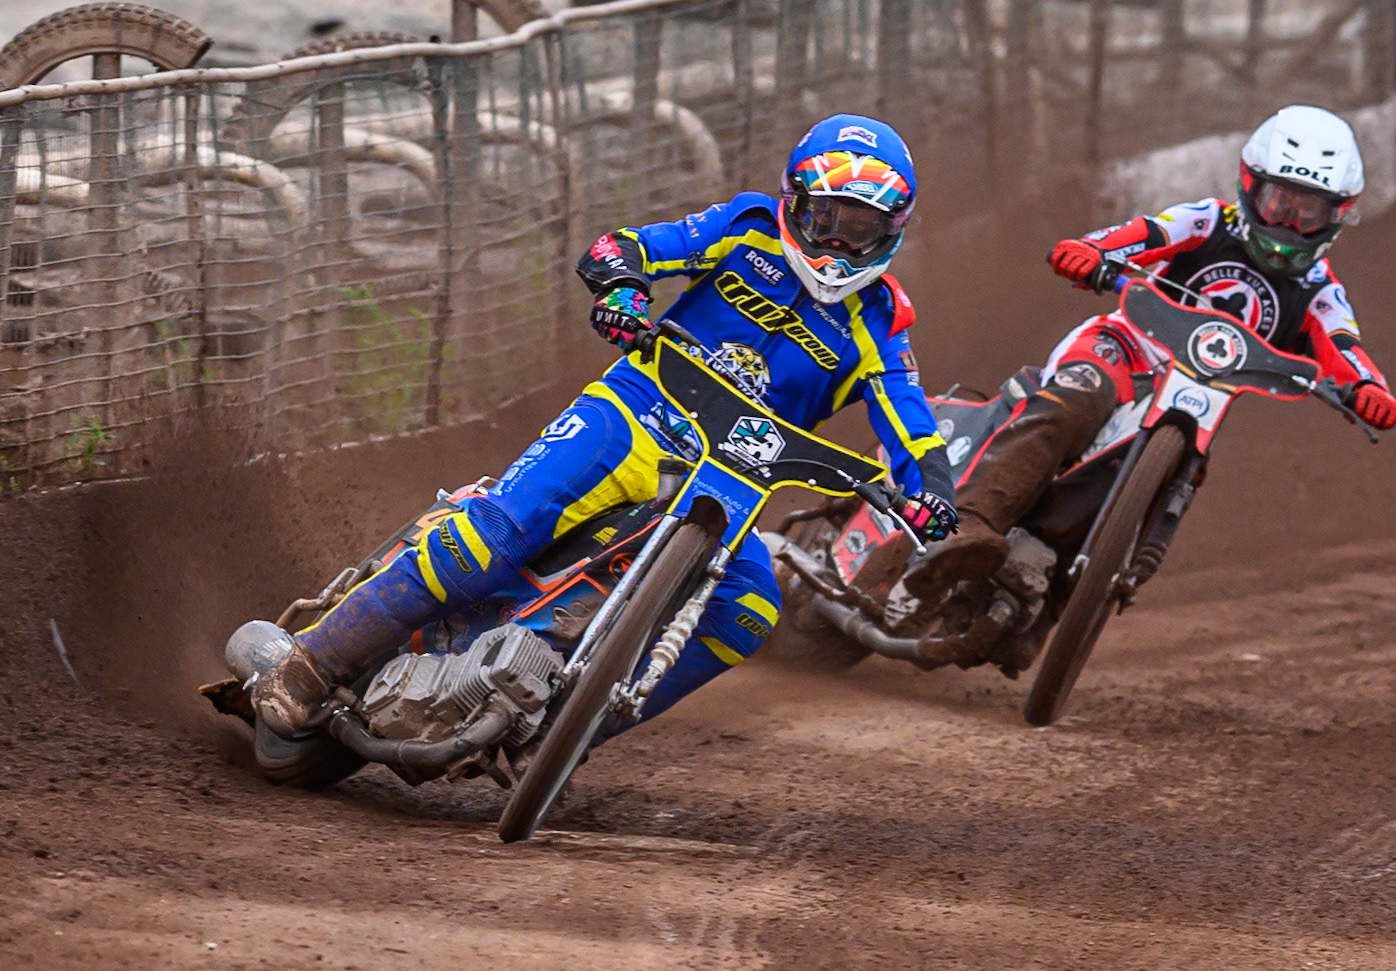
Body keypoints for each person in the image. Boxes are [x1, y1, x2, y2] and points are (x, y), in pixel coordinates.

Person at [253, 113, 958, 737]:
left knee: (748, 610)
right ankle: (312, 664)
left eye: (860, 229)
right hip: (638, 413)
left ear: (890, 233)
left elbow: (913, 423)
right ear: (793, 202)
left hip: (733, 479)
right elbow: (626, 247)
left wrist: (933, 490)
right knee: (495, 535)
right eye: (826, 219)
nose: (837, 244)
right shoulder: (744, 232)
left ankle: (568, 737)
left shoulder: (878, 323)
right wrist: (621, 290)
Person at [902, 104, 1396, 598]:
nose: (1289, 223)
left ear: (1337, 216)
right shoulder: (1208, 221)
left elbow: (1344, 347)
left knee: (1176, 477)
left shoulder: (1319, 291)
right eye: (1280, 202)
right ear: (1251, 187)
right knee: (1076, 398)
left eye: (1309, 211)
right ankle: (968, 522)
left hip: (1198, 402)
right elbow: (1142, 235)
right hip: (1124, 349)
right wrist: (1093, 253)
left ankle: (1052, 593)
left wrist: (1367, 389)